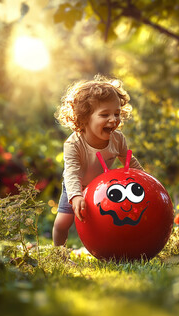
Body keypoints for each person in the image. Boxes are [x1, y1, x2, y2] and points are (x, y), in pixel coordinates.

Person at [53, 74, 143, 246]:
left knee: (106, 220)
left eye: (117, 113)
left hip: (100, 187)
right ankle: (59, 252)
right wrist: (76, 196)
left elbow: (131, 163)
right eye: (104, 114)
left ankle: (107, 247)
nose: (113, 119)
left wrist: (146, 179)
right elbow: (71, 173)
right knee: (63, 222)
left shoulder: (118, 139)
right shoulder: (73, 144)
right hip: (76, 185)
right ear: (84, 117)